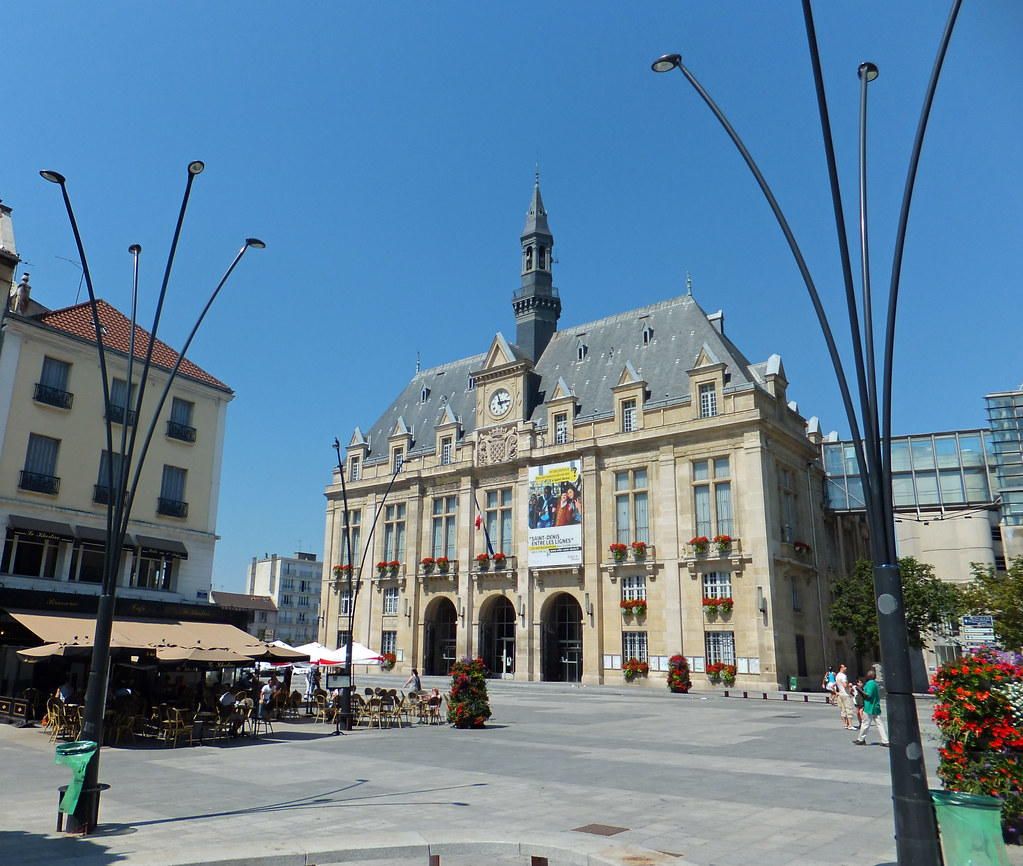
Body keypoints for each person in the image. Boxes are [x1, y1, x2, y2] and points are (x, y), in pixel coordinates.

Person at [853, 670, 889, 747]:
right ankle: (885, 740)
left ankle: (861, 739)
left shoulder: (869, 684)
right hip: (875, 706)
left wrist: (860, 690)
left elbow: (868, 695)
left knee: (865, 723)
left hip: (869, 706)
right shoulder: (874, 684)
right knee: (879, 724)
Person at [834, 663, 855, 730]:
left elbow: (835, 685)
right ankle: (850, 724)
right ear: (841, 668)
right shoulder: (843, 676)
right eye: (844, 667)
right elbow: (845, 685)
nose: (845, 668)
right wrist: (849, 685)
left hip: (841, 694)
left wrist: (836, 692)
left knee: (843, 709)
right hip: (846, 694)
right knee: (849, 708)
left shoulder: (837, 676)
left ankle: (845, 724)